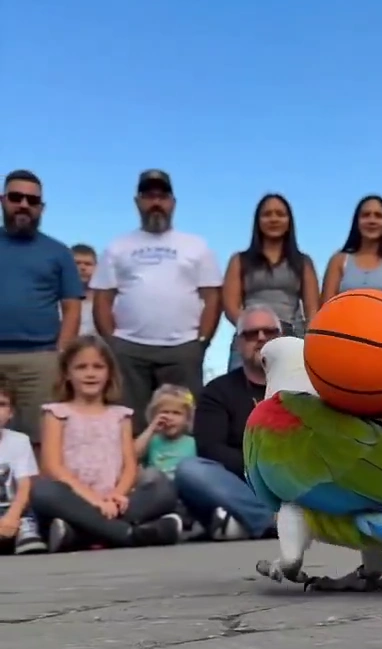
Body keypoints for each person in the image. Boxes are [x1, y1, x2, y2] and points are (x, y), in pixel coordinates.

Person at [91, 169, 223, 431]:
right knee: (128, 423)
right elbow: (103, 298)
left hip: (182, 347)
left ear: (172, 203)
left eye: (162, 196)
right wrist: (113, 342)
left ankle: (184, 471)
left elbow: (212, 297)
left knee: (185, 423)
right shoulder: (118, 246)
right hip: (130, 349)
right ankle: (132, 471)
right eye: (149, 196)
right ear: (137, 202)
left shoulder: (196, 245)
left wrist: (201, 342)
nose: (156, 203)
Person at [31, 336, 180, 551]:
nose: (90, 373)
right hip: (75, 500)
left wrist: (117, 495)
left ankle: (81, 535)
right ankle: (129, 535)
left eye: (98, 367)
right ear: (67, 374)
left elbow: (129, 466)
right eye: (81, 367)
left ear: (109, 373)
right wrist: (95, 501)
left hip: (116, 501)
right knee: (43, 491)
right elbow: (52, 467)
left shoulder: (121, 416)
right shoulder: (55, 414)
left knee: (162, 487)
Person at [174, 306, 278, 540]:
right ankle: (270, 521)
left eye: (269, 332)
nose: (261, 338)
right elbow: (210, 448)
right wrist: (262, 470)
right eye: (251, 334)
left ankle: (241, 522)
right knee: (190, 470)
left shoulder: (303, 386)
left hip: (297, 481)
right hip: (241, 483)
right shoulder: (218, 391)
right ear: (239, 344)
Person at [0, 170, 84, 446]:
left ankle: (36, 491)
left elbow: (71, 307)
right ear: (3, 200)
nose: (24, 204)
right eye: (16, 197)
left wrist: (60, 354)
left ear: (41, 208)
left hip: (40, 360)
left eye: (32, 200)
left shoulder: (58, 252)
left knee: (41, 439)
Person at [222, 195, 320, 370]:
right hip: (250, 336)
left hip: (290, 336)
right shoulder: (240, 260)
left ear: (289, 221)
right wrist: (254, 327)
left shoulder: (303, 262)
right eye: (267, 214)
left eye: (280, 214)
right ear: (258, 221)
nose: (274, 219)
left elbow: (312, 310)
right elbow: (230, 306)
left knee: (289, 394)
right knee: (243, 393)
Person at [321, 196, 382, 304]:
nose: (372, 220)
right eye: (365, 215)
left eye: (378, 216)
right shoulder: (338, 260)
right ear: (356, 222)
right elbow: (327, 306)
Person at [0, 374, 47, 554]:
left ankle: (24, 532)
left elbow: (24, 485)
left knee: (29, 512)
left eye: (2, 404)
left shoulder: (19, 441)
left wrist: (13, 516)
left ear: (11, 412)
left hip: (14, 509)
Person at [133, 384, 197, 477]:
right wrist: (151, 428)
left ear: (187, 419)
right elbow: (131, 456)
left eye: (176, 413)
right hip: (157, 487)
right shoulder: (151, 440)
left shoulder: (192, 442)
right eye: (164, 412)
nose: (170, 418)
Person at [71, 243, 98, 334]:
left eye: (88, 264)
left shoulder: (104, 303)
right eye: (77, 263)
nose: (82, 268)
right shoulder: (55, 300)